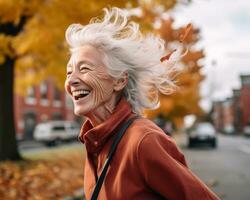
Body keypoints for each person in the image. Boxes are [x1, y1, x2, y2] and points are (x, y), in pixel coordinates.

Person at [64, 7, 220, 200]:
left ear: (120, 80)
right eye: (69, 72)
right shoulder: (95, 142)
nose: (71, 80)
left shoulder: (144, 141)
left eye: (84, 68)